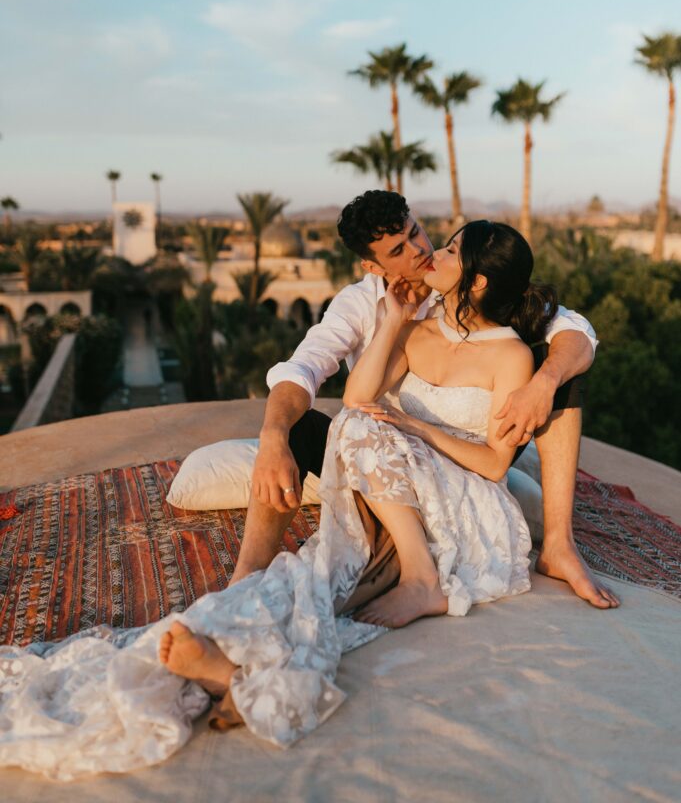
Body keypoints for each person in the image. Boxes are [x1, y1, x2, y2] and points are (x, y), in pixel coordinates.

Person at [0, 220, 563, 777]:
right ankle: (235, 670)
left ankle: (422, 579)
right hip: (398, 489)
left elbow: (492, 463)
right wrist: (392, 320)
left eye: (447, 249)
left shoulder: (511, 356)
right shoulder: (418, 328)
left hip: (459, 493)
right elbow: (358, 398)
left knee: (367, 442)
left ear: (479, 282)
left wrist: (417, 431)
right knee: (311, 575)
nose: (430, 252)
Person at [230, 190, 619, 610]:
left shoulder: (466, 284)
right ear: (373, 266)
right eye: (398, 249)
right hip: (382, 449)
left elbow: (575, 329)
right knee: (305, 427)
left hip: (460, 461)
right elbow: (305, 370)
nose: (420, 250)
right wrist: (271, 434)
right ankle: (247, 572)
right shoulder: (360, 305)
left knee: (562, 368)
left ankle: (558, 546)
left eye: (416, 232)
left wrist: (543, 383)